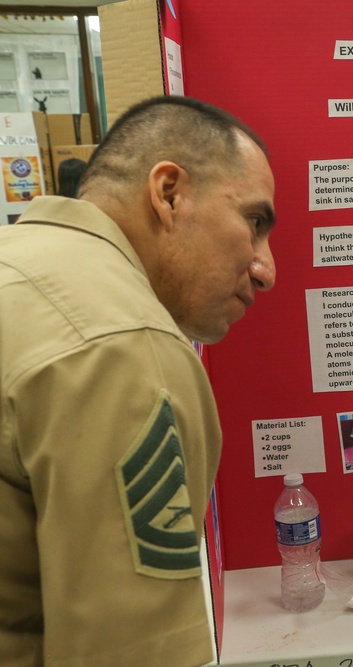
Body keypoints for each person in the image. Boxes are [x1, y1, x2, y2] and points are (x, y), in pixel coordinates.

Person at [0, 96, 276, 667]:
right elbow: (128, 655)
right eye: (254, 222)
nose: (264, 268)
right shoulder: (125, 347)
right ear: (169, 193)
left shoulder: (18, 265)